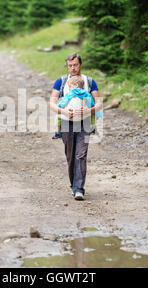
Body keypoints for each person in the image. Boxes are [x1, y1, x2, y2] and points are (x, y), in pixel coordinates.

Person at [49, 53, 102, 201]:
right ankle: (74, 185)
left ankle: (79, 189)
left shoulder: (89, 82)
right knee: (71, 156)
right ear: (67, 66)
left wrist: (89, 110)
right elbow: (52, 103)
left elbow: (98, 103)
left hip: (84, 123)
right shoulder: (61, 81)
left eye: (75, 65)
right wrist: (64, 111)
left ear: (80, 65)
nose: (73, 68)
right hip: (66, 123)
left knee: (81, 155)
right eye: (70, 66)